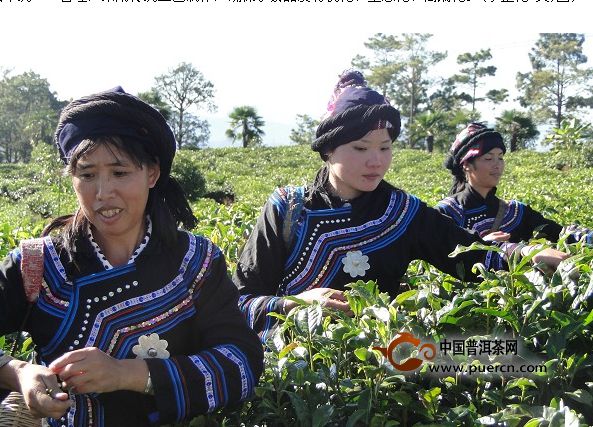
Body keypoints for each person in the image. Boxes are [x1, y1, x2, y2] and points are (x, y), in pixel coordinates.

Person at [232, 70, 567, 341]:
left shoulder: (402, 212)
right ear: (329, 149)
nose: (376, 162)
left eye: (385, 147)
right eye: (361, 149)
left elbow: (469, 252)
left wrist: (527, 256)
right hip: (293, 376)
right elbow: (239, 302)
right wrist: (296, 303)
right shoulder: (287, 210)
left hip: (376, 372)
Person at [0, 87, 263, 426]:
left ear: (151, 173)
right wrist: (18, 373)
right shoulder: (37, 266)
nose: (103, 193)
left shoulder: (195, 263)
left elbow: (242, 363)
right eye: (87, 174)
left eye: (119, 172)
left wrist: (128, 374)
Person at [437, 122, 592, 244]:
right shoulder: (447, 213)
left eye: (500, 157)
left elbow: (559, 234)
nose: (497, 165)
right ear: (467, 165)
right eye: (488, 158)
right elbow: (436, 255)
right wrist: (481, 246)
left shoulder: (515, 212)